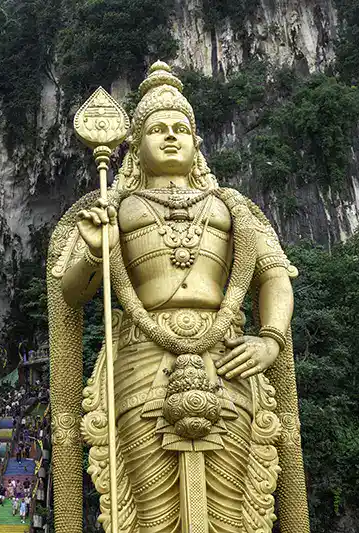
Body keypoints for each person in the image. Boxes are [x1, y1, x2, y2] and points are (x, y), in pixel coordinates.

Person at [49, 61, 306, 533]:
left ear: (197, 143)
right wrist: (93, 252)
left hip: (226, 358)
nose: (171, 137)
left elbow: (274, 276)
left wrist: (269, 338)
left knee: (233, 510)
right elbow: (69, 292)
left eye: (181, 128)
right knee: (151, 514)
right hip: (141, 360)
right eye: (157, 129)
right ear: (135, 147)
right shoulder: (113, 208)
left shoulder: (235, 208)